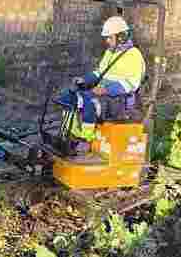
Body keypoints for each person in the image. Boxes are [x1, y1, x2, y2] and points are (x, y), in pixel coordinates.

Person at [58, 15, 146, 154]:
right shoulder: (110, 53)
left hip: (119, 102)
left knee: (89, 101)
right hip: (104, 96)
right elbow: (100, 73)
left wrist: (106, 89)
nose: (106, 41)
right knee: (67, 97)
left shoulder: (134, 56)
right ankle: (70, 134)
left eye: (109, 38)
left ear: (121, 37)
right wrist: (84, 80)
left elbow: (132, 84)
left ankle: (86, 140)